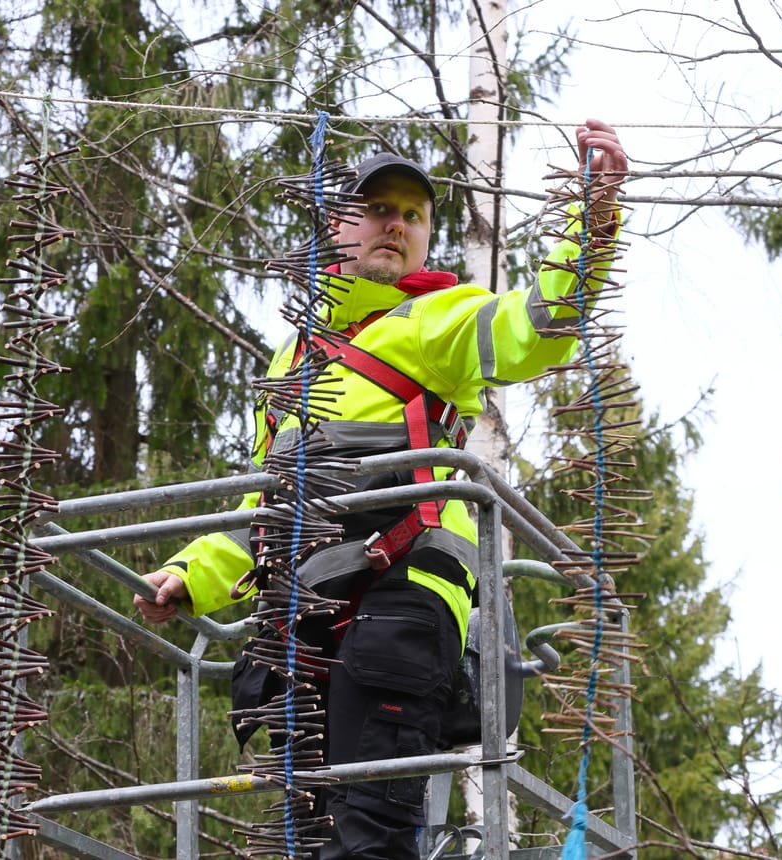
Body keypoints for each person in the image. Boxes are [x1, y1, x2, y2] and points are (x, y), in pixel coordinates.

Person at [134, 119, 628, 859]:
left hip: (403, 592)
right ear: (336, 225)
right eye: (376, 209)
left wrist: (591, 220)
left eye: (413, 215)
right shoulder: (295, 356)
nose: (395, 224)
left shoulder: (438, 319)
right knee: (312, 837)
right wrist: (190, 577)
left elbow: (542, 323)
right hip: (304, 612)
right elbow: (266, 507)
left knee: (368, 834)